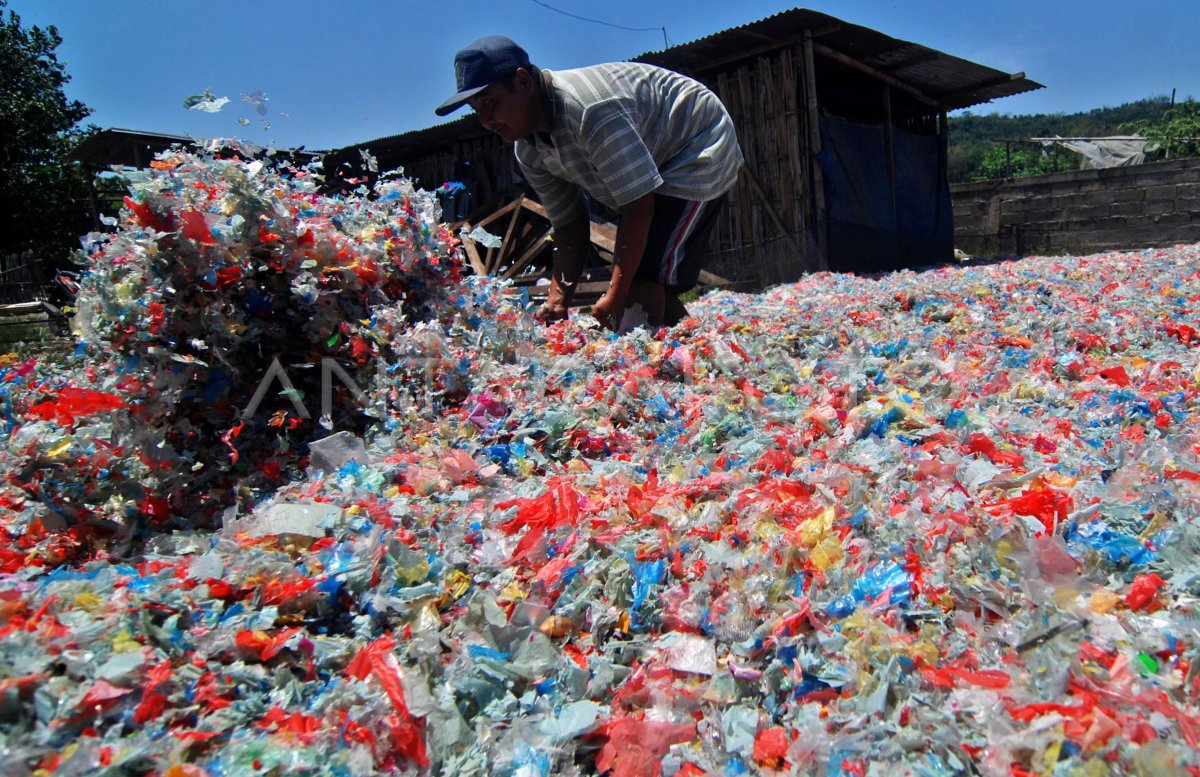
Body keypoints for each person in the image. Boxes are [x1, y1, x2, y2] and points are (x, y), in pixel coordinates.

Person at [436, 35, 743, 330]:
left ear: (524, 82)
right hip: (654, 166)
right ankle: (689, 349)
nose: (486, 121)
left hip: (697, 142)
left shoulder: (590, 112)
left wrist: (616, 295)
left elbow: (638, 206)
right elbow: (568, 225)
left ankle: (669, 360)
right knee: (643, 278)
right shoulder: (528, 150)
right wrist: (558, 301)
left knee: (640, 281)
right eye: (478, 111)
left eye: (490, 103)